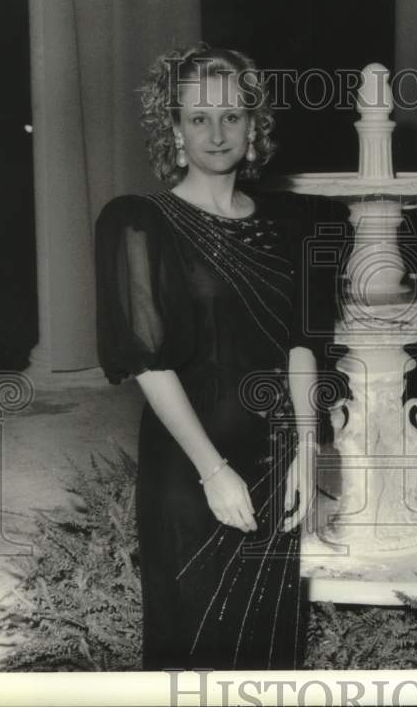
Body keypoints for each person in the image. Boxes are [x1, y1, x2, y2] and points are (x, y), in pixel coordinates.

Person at [95, 44, 327, 670]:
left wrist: (308, 449)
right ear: (174, 129)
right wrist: (212, 470)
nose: (216, 133)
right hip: (189, 467)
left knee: (269, 650)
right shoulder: (137, 222)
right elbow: (147, 359)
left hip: (274, 460)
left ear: (254, 126)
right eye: (198, 118)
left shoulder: (289, 223)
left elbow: (301, 342)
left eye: (231, 116)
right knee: (194, 648)